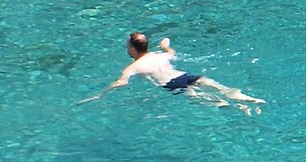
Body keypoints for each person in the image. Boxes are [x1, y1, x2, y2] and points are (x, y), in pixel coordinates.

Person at [86, 32, 263, 114]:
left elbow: (122, 82)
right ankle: (248, 99)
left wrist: (100, 94)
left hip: (173, 85)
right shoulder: (160, 55)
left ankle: (239, 107)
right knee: (221, 89)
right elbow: (172, 53)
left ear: (132, 50)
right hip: (187, 76)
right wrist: (164, 45)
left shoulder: (132, 67)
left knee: (211, 101)